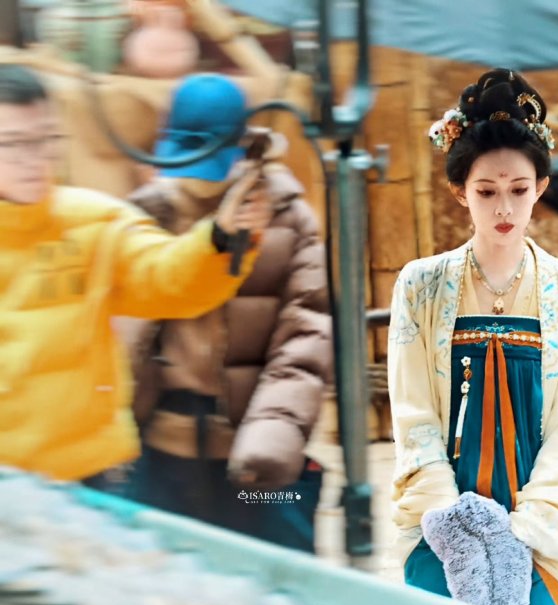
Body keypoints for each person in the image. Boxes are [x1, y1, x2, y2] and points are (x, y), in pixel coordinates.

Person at [387, 68, 558, 605]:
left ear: (540, 187)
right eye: (486, 191)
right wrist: (454, 528)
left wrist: (525, 530)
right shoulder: (421, 285)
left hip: (547, 514)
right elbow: (413, 413)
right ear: (460, 192)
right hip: (444, 512)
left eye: (519, 190)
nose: (504, 209)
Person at [0, 65, 271, 481]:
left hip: (88, 474)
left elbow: (165, 276)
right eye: (12, 143)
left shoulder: (95, 221)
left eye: (45, 140)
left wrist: (220, 237)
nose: (33, 160)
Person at [113, 74, 332, 552]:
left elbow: (306, 336)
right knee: (157, 580)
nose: (199, 174)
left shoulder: (288, 217)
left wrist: (269, 441)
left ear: (244, 146)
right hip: (160, 454)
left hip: (257, 459)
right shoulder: (143, 216)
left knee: (277, 578)